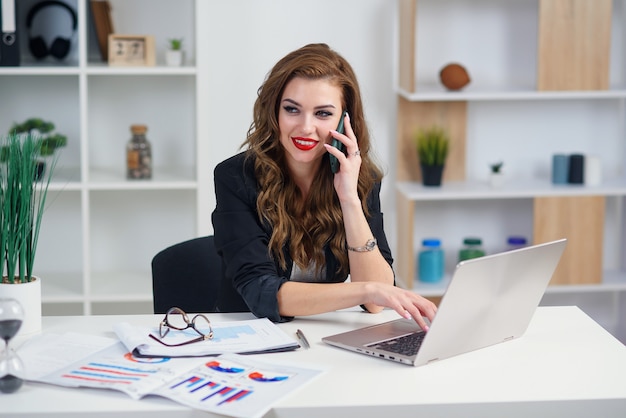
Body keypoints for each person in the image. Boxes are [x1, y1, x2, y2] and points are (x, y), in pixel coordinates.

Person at [212, 43, 436, 329]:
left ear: (345, 121)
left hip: (322, 332)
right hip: (251, 333)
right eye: (292, 109)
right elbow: (261, 291)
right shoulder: (236, 177)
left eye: (322, 114)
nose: (305, 127)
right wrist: (365, 289)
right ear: (274, 112)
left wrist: (350, 199)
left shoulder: (360, 178)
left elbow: (376, 303)